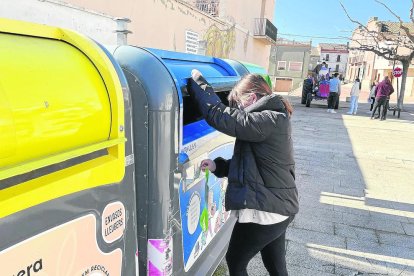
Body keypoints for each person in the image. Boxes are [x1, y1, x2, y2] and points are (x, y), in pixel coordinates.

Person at [188, 70, 298, 276]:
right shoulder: (272, 120)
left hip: (267, 211)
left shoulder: (268, 119)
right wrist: (217, 167)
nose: (238, 109)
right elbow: (253, 165)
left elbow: (219, 116)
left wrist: (198, 82)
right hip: (280, 206)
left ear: (252, 98)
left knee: (235, 261)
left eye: (238, 104)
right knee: (275, 265)